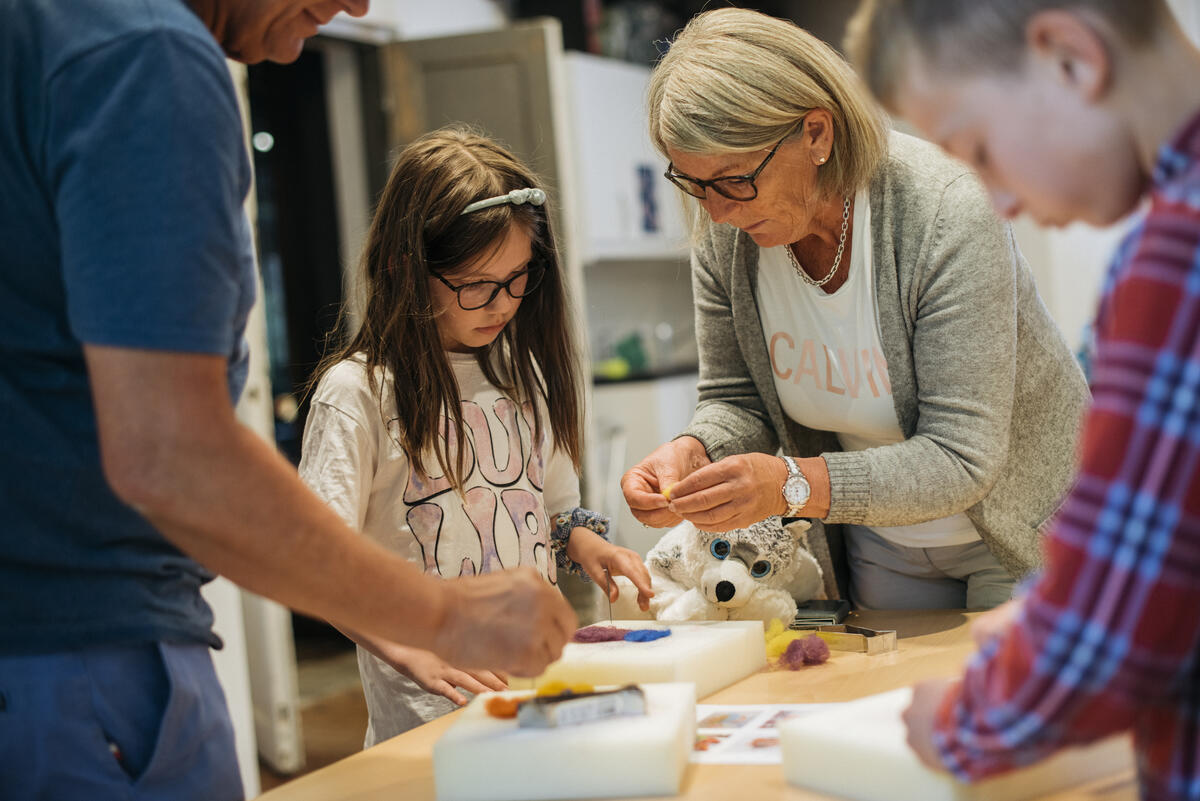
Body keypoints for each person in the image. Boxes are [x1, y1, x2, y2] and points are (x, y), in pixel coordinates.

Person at [0, 2, 577, 798]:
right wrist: (442, 616)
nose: (359, 7)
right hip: (81, 664)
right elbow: (173, 453)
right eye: (477, 283)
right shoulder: (145, 57)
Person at [620, 7, 1090, 610]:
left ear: (817, 133)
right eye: (694, 184)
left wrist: (789, 484)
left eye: (735, 179)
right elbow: (735, 399)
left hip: (1028, 535)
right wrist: (698, 448)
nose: (716, 212)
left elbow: (960, 457)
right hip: (881, 541)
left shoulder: (947, 212)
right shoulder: (728, 233)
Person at [845, 1, 1200, 797]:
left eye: (979, 150)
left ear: (1070, 57)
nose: (1000, 201)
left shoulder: (1178, 258)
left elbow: (1109, 645)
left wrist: (959, 720)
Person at [299, 126, 654, 746]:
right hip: (431, 721)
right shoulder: (357, 393)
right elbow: (317, 565)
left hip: (542, 694)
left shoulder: (524, 373)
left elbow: (555, 513)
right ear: (404, 268)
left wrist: (588, 546)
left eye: (518, 279)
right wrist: (408, 644)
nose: (503, 304)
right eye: (476, 285)